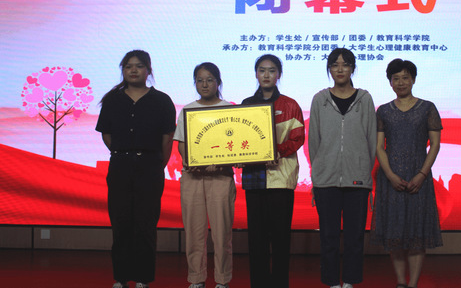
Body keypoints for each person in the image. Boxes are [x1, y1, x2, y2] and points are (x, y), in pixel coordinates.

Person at [96, 50, 176, 288]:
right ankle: (120, 277)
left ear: (148, 70)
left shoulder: (161, 100)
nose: (133, 70)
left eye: (139, 66)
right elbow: (107, 135)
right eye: (128, 66)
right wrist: (124, 153)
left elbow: (167, 138)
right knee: (120, 222)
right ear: (123, 70)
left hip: (150, 167)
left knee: (145, 224)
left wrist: (155, 163)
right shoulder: (112, 100)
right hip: (120, 166)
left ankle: (143, 278)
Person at [371, 59, 443, 288]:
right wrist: (390, 175)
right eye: (396, 78)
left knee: (416, 234)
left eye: (405, 78)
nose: (400, 82)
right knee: (395, 234)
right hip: (390, 178)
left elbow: (435, 144)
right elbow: (378, 147)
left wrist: (422, 174)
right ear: (390, 82)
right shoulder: (383, 111)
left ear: (413, 80)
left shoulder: (427, 108)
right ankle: (401, 282)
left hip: (418, 177)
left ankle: (413, 284)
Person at [308, 48, 377, 288]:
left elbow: (371, 141)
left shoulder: (364, 99)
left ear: (352, 69)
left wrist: (363, 168)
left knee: (354, 236)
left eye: (345, 64)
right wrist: (319, 171)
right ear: (329, 69)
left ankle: (350, 280)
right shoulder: (320, 99)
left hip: (357, 179)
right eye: (335, 65)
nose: (340, 69)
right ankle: (331, 281)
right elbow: (313, 142)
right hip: (325, 179)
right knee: (328, 236)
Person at [241, 54, 305, 288]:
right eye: (261, 70)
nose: (266, 75)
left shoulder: (290, 105)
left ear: (279, 74)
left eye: (271, 70)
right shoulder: (247, 104)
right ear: (256, 74)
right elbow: (239, 139)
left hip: (281, 178)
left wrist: (276, 152)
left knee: (280, 238)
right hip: (254, 178)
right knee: (256, 239)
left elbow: (298, 138)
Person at [174, 62, 236, 288]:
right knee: (194, 232)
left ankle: (222, 280)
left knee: (222, 233)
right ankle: (196, 279)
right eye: (200, 80)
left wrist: (222, 162)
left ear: (218, 82)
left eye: (210, 80)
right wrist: (191, 162)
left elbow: (236, 143)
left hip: (221, 176)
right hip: (192, 177)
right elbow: (182, 144)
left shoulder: (229, 108)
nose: (205, 84)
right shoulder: (188, 110)